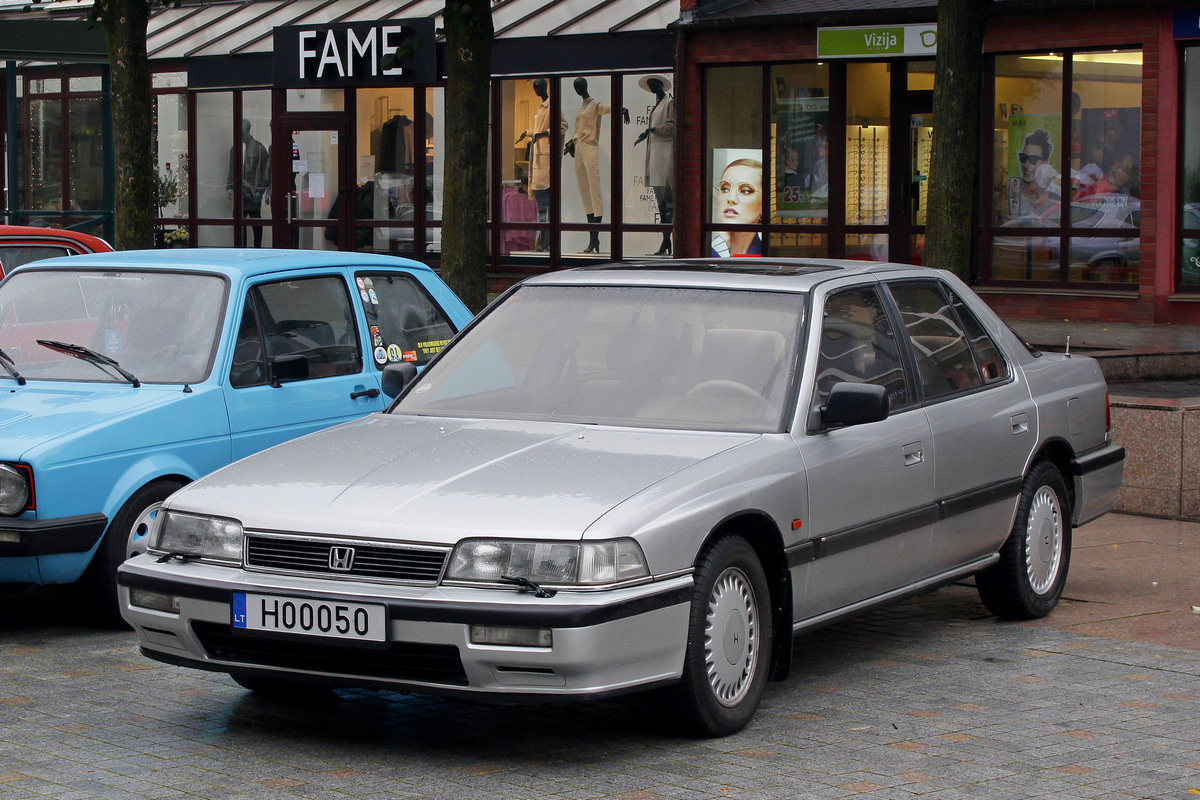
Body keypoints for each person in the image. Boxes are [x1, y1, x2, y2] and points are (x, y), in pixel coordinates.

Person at [565, 77, 629, 254]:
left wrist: (621, 109)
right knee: (585, 193)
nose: (578, 89)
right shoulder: (583, 106)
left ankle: (594, 239)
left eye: (580, 86)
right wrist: (571, 141)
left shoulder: (594, 105)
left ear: (585, 87)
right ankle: (593, 240)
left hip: (590, 148)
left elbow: (609, 108)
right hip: (578, 149)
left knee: (594, 192)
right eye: (576, 87)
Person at [515, 78, 566, 252]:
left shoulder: (552, 105)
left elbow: (562, 127)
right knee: (541, 206)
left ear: (545, 87)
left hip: (545, 160)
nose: (536, 90)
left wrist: (543, 133)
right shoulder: (541, 107)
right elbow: (538, 130)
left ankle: (547, 242)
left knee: (546, 204)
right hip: (537, 159)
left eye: (539, 87)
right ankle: (543, 242)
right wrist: (529, 133)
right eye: (535, 87)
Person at [634, 75, 674, 255]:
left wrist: (653, 130)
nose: (652, 89)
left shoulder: (669, 103)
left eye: (654, 86)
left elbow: (672, 128)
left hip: (665, 157)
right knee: (661, 203)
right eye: (650, 87)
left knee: (667, 202)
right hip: (656, 157)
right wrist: (647, 133)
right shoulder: (659, 105)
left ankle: (667, 241)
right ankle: (666, 242)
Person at [227, 119, 271, 247]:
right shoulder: (234, 149)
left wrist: (261, 190)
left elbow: (265, 171)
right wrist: (230, 186)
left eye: (242, 131)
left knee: (255, 219)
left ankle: (258, 247)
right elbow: (232, 169)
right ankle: (241, 246)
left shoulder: (259, 148)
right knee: (239, 220)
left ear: (247, 130)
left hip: (253, 190)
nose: (240, 133)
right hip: (240, 190)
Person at [710, 158, 764, 258]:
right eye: (725, 189)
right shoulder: (708, 250)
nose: (731, 199)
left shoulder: (764, 254)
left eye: (746, 191)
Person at [1015, 128, 1059, 217]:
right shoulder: (1014, 188)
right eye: (1023, 158)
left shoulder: (1053, 192)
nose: (1026, 165)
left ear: (1045, 163)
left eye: (1033, 159)